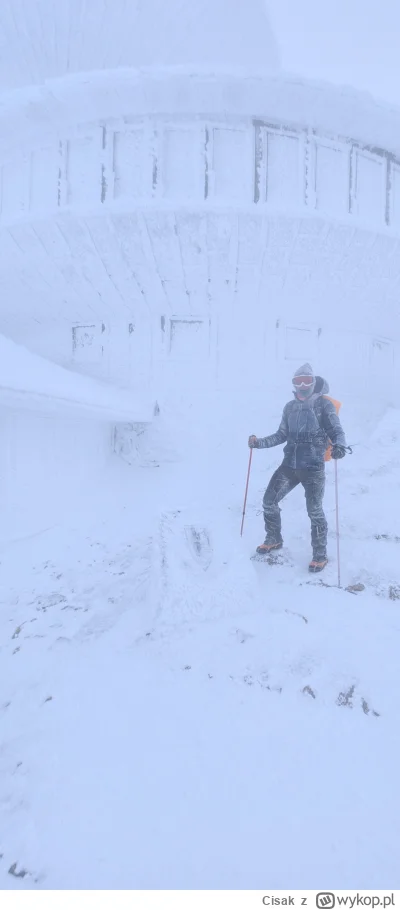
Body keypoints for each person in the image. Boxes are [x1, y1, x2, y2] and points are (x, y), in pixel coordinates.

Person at [248, 363, 347, 572]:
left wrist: (340, 445)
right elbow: (281, 435)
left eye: (307, 381)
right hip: (289, 466)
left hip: (313, 468)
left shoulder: (323, 406)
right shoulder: (289, 407)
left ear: (313, 382)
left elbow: (336, 430)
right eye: (297, 381)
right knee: (269, 501)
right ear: (293, 384)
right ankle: (273, 538)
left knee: (314, 510)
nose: (302, 385)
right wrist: (259, 443)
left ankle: (320, 555)